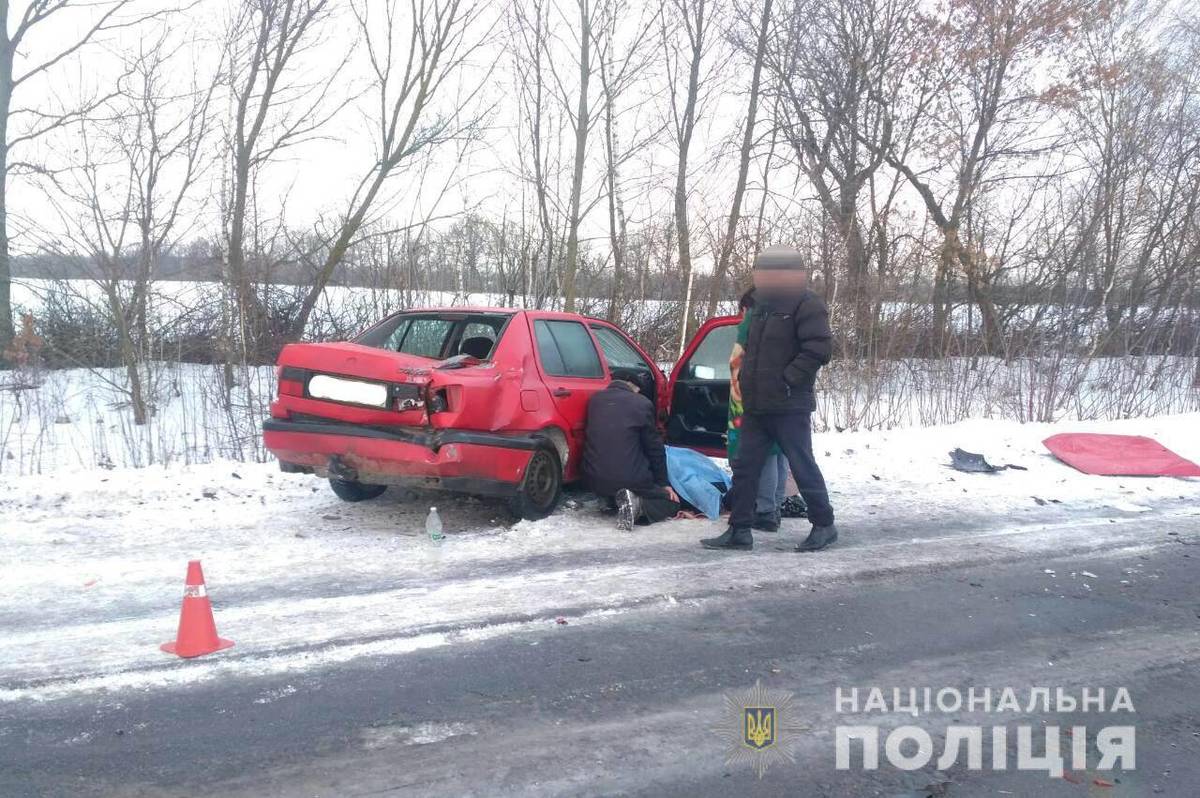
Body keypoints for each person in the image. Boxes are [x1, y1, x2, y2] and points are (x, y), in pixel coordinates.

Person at [701, 245, 837, 552]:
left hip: (789, 404)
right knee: (745, 466)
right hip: (756, 404)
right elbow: (748, 350)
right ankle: (739, 530)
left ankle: (824, 524)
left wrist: (788, 380)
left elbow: (819, 349)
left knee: (802, 465)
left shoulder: (808, 303)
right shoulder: (761, 306)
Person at [727, 289, 793, 532]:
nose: (740, 316)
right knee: (778, 453)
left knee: (764, 456)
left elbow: (738, 365)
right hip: (780, 399)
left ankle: (765, 511)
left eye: (741, 311)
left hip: (752, 400)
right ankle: (774, 507)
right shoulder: (785, 323)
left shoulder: (752, 327)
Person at [583, 379, 681, 530]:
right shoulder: (641, 403)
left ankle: (611, 500)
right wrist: (663, 484)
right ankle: (639, 506)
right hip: (629, 479)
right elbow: (654, 449)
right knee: (672, 502)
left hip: (593, 479)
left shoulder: (595, 400)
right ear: (634, 388)